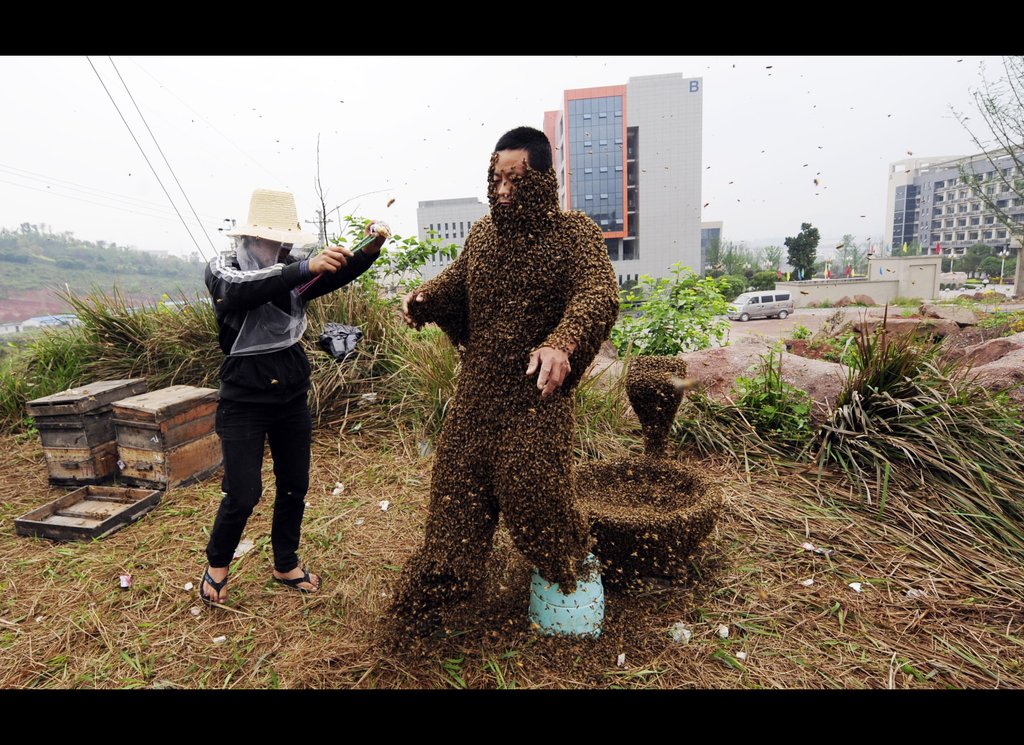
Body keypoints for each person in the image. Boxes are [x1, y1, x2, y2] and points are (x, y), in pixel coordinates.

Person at [389, 126, 620, 635]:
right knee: (454, 494)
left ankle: (568, 576)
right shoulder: (483, 235)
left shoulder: (573, 233)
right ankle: (442, 589)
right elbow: (457, 280)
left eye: (515, 180)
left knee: (535, 495)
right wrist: (424, 299)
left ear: (542, 179)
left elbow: (597, 294)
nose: (502, 190)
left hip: (536, 400)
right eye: (497, 178)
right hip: (475, 398)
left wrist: (562, 343)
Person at [199, 188, 387, 606]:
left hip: (290, 394)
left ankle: (285, 562)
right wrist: (301, 267)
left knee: (293, 485)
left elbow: (331, 274)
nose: (280, 248)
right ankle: (216, 567)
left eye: (285, 242)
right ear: (249, 238)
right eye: (273, 240)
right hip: (243, 400)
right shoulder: (223, 268)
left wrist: (369, 248)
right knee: (244, 492)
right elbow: (236, 292)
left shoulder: (290, 273)